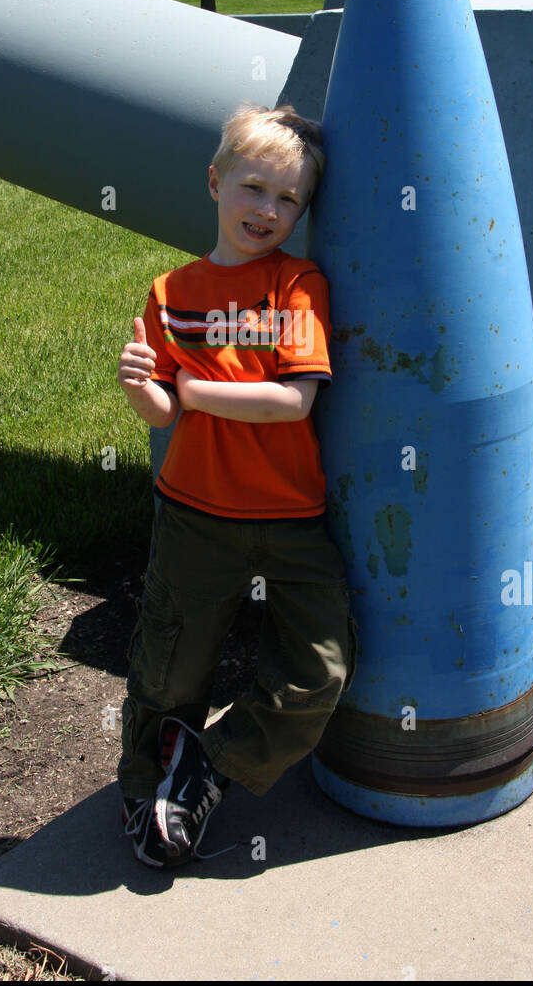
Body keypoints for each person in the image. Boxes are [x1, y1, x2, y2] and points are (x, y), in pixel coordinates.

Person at [116, 102, 357, 868]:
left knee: (320, 670)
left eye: (289, 200)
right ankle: (144, 796)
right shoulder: (169, 292)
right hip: (192, 513)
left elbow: (290, 401)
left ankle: (209, 769)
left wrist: (184, 388)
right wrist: (141, 389)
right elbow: (161, 413)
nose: (268, 210)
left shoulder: (297, 285)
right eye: (254, 188)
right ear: (215, 182)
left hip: (291, 517)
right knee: (168, 666)